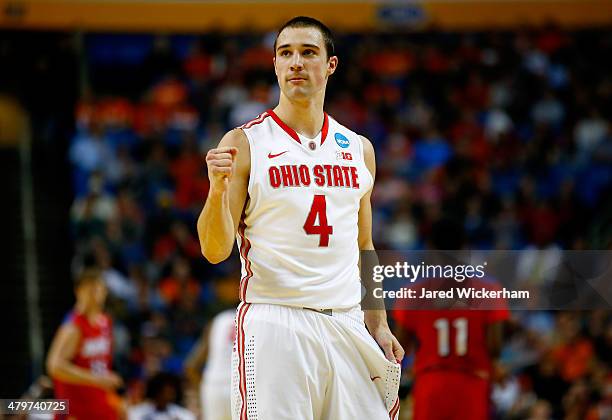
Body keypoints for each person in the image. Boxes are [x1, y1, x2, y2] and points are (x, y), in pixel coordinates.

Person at [197, 16, 403, 420]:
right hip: (277, 322)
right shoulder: (245, 143)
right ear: (274, 65)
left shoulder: (359, 148)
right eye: (285, 53)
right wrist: (217, 191)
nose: (295, 62)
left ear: (330, 65)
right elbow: (214, 250)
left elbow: (365, 246)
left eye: (308, 53)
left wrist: (378, 321)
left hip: (346, 321)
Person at [393, 219, 510, 420]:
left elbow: (399, 349)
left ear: (430, 249)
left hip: (430, 385)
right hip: (472, 384)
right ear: (465, 248)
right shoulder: (489, 290)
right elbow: (495, 346)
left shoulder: (412, 292)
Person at [46, 268, 124, 420]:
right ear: (78, 291)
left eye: (98, 289)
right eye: (89, 289)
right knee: (11, 406)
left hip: (99, 405)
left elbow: (101, 366)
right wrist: (96, 379)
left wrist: (115, 399)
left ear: (105, 292)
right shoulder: (73, 327)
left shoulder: (106, 322)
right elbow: (54, 366)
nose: (94, 295)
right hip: (74, 408)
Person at [184, 309, 236, 420]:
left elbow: (191, 365)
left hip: (213, 385)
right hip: (241, 388)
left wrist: (201, 392)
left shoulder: (218, 320)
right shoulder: (259, 318)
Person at [128, 372, 195, 420]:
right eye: (164, 392)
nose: (167, 396)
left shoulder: (183, 415)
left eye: (171, 393)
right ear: (156, 392)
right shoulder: (137, 413)